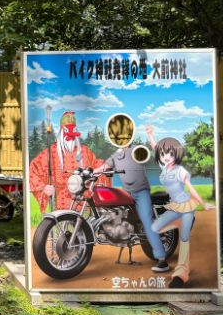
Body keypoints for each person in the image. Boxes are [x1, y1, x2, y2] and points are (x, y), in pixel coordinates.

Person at [94, 114, 166, 271]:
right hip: (126, 194)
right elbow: (104, 167)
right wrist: (92, 172)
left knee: (147, 222)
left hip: (141, 193)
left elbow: (156, 154)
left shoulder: (137, 150)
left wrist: (150, 135)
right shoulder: (117, 155)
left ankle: (161, 259)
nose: (121, 136)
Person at [146, 127, 214, 287]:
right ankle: (179, 226)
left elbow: (190, 189)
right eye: (163, 154)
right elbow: (156, 147)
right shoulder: (165, 167)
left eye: (169, 154)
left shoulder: (180, 171)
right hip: (175, 207)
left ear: (176, 154)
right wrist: (150, 134)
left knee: (184, 239)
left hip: (186, 207)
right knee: (154, 228)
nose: (166, 157)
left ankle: (181, 275)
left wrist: (203, 204)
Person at [28, 111, 108, 212]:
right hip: (61, 202)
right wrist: (44, 187)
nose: (70, 138)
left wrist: (102, 167)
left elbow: (94, 165)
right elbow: (33, 169)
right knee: (63, 225)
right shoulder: (51, 151)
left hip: (83, 202)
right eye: (67, 132)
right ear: (62, 131)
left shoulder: (84, 150)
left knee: (84, 225)